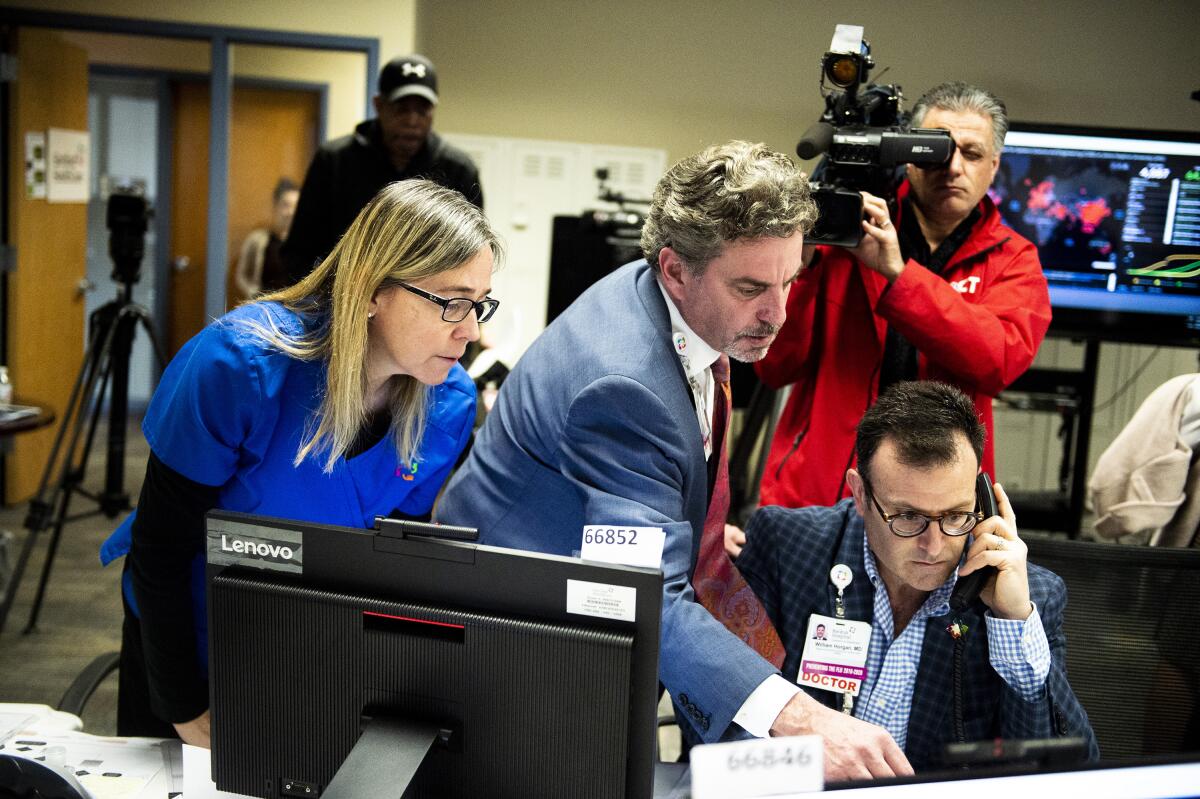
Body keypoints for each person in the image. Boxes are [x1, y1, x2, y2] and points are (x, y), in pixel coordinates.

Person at [438, 140, 914, 780]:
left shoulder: (676, 308)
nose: (776, 314)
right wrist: (801, 719)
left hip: (571, 607)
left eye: (789, 281)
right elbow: (640, 596)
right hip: (517, 648)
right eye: (751, 287)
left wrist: (683, 529)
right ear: (676, 270)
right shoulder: (624, 384)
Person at [100, 180, 501, 747]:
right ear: (370, 289)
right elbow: (160, 550)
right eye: (451, 303)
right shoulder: (239, 367)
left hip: (308, 645)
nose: (472, 331)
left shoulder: (449, 404)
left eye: (479, 304)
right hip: (184, 636)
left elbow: (389, 567)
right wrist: (183, 703)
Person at [736, 381, 1098, 773]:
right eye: (908, 517)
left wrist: (1011, 622)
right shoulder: (787, 548)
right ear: (859, 494)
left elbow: (1067, 772)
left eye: (956, 515)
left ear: (981, 496)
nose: (935, 545)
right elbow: (721, 712)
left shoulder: (1025, 596)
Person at [755, 82, 1051, 510]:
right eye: (938, 149)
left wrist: (897, 273)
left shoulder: (1013, 259)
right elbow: (776, 366)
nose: (952, 168)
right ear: (908, 157)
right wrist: (797, 267)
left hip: (937, 507)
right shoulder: (849, 232)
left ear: (994, 165)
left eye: (971, 154)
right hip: (816, 495)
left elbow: (998, 360)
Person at [282, 54, 483, 284]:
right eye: (401, 109)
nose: (412, 120)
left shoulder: (458, 169)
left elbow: (470, 257)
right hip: (339, 300)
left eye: (423, 110)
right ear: (379, 105)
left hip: (428, 305)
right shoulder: (334, 161)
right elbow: (300, 250)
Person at [232, 177, 299, 300]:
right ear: (276, 206)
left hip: (294, 307)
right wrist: (253, 293)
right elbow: (241, 275)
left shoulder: (303, 242)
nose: (291, 212)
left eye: (296, 206)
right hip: (263, 304)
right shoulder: (257, 239)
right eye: (286, 205)